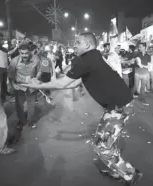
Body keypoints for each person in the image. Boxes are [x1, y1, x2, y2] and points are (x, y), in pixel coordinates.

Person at [21, 32, 142, 185]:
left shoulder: (84, 60)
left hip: (118, 107)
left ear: (87, 44)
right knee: (110, 142)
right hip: (120, 103)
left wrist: (36, 85)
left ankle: (130, 174)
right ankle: (117, 170)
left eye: (77, 42)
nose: (74, 45)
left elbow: (62, 84)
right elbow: (74, 83)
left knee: (102, 145)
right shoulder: (94, 57)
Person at [8, 43, 40, 129]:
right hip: (19, 86)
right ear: (19, 52)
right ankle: (21, 121)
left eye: (26, 53)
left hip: (31, 86)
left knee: (31, 105)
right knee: (19, 106)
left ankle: (31, 121)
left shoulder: (36, 59)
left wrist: (36, 79)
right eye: (22, 53)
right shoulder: (14, 61)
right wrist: (13, 84)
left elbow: (39, 70)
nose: (24, 55)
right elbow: (10, 75)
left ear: (30, 52)